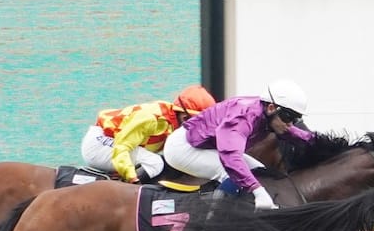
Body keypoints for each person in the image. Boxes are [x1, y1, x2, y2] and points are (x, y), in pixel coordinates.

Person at [160, 81, 313, 207]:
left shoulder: (268, 114)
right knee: (231, 173)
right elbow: (231, 157)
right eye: (288, 117)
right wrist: (258, 191)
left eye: (295, 119)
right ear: (272, 108)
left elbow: (292, 133)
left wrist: (318, 141)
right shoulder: (243, 116)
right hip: (183, 147)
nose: (290, 124)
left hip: (204, 145)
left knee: (260, 171)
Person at [79, 85, 216, 183]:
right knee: (154, 162)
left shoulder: (174, 123)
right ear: (185, 117)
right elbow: (122, 147)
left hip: (116, 143)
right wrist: (130, 175)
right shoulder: (151, 118)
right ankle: (129, 190)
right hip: (100, 143)